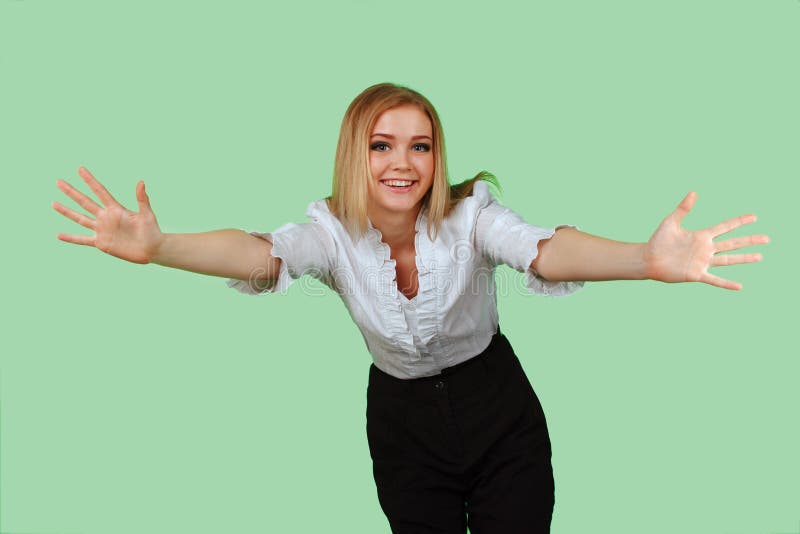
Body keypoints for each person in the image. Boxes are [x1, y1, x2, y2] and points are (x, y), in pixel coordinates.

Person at [52, 82, 768, 534]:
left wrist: (646, 260)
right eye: (383, 144)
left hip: (498, 410)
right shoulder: (327, 233)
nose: (405, 162)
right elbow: (259, 254)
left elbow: (546, 251)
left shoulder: (471, 215)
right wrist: (162, 246)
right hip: (401, 425)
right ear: (353, 156)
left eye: (420, 145)